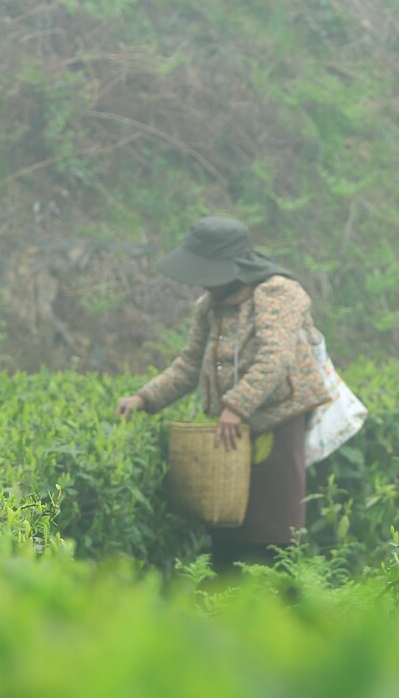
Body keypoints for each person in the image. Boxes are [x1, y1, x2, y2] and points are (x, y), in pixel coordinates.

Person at [116, 216, 331, 562]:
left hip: (278, 422)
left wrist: (236, 407)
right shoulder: (210, 305)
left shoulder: (276, 292)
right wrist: (144, 397)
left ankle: (279, 601)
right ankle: (225, 598)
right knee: (225, 519)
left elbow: (275, 357)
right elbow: (189, 363)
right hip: (233, 427)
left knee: (272, 530)